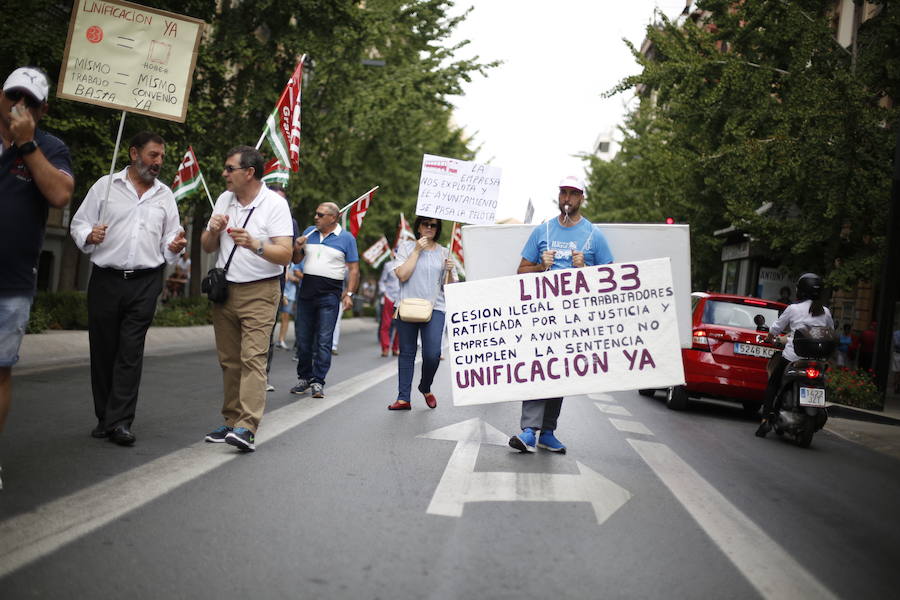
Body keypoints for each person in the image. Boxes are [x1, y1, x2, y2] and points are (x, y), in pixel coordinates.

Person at [71, 131, 185, 446]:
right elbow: (78, 224)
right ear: (134, 153)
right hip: (106, 280)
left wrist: (175, 245)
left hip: (146, 281)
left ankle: (120, 422)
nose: (159, 162)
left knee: (130, 352)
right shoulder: (104, 187)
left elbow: (170, 240)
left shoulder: (165, 196)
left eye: (161, 156)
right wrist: (89, 235)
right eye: (153, 155)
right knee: (104, 350)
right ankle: (104, 418)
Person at [0, 66, 73, 488]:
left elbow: (60, 195)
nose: (18, 107)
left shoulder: (49, 148)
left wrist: (27, 144)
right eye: (13, 96)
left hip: (9, 282)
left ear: (42, 110)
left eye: (29, 101)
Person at [508, 175, 613, 453]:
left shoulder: (594, 234)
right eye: (563, 192)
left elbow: (610, 277)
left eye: (573, 193)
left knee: (560, 373)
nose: (567, 198)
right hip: (542, 313)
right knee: (539, 367)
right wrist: (541, 266)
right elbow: (521, 271)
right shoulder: (542, 232)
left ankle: (548, 431)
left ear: (581, 198)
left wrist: (584, 270)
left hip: (575, 318)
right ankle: (529, 430)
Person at [201, 146, 293, 452]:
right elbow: (207, 245)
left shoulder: (275, 205)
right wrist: (213, 230)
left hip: (261, 291)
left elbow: (286, 255)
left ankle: (246, 427)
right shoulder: (225, 199)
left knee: (252, 358)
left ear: (249, 173)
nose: (224, 174)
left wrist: (255, 244)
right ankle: (230, 421)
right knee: (229, 361)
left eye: (230, 169)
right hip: (226, 291)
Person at [387, 217, 457, 410]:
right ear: (418, 227)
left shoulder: (445, 252)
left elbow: (450, 287)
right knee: (407, 353)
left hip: (435, 308)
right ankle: (403, 398)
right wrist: (417, 250)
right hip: (407, 306)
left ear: (438, 229)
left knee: (433, 354)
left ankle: (425, 386)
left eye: (433, 225)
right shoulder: (405, 247)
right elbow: (402, 275)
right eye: (425, 224)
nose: (429, 228)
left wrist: (449, 271)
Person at [290, 202, 359, 398]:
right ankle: (304, 377)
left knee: (323, 340)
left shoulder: (346, 238)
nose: (316, 217)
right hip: (306, 293)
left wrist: (349, 294)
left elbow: (354, 269)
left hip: (330, 295)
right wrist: (297, 247)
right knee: (303, 339)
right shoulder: (309, 232)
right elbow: (296, 260)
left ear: (333, 218)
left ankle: (318, 380)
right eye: (316, 213)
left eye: (320, 215)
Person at [755, 273, 834, 438]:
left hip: (793, 358)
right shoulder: (825, 312)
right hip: (817, 361)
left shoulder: (793, 309)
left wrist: (770, 338)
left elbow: (775, 329)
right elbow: (830, 332)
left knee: (773, 384)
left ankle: (764, 421)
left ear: (801, 291)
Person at [378, 257, 401, 357]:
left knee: (400, 325)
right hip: (389, 297)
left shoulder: (408, 264)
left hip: (401, 298)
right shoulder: (388, 265)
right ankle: (385, 347)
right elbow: (382, 281)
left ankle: (396, 348)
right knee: (386, 324)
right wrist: (384, 292)